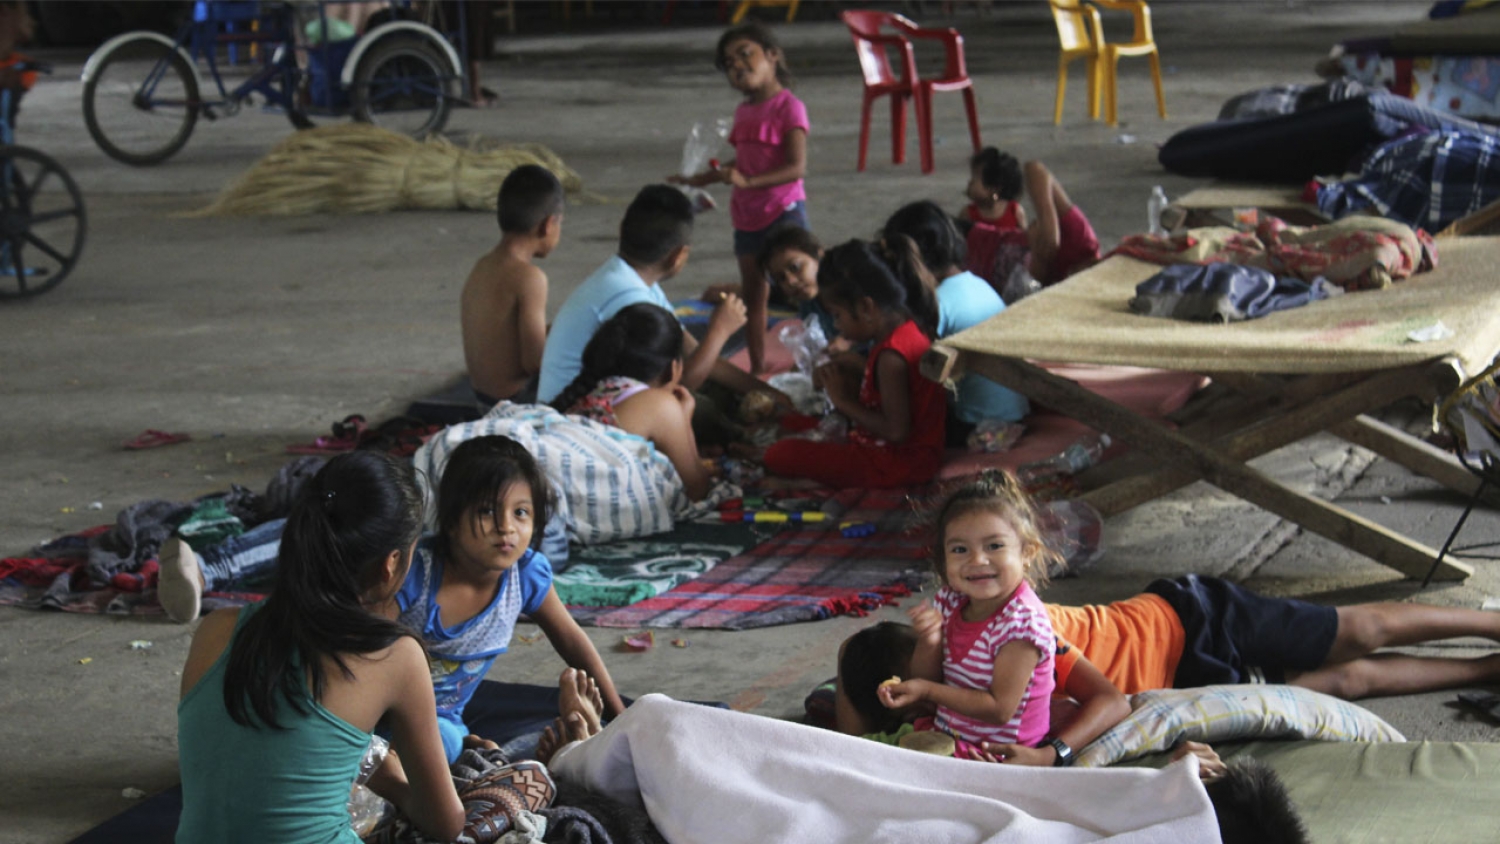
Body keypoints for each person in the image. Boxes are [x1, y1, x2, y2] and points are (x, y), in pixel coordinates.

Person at [162, 436, 627, 764]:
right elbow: (359, 657)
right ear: (449, 517)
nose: (506, 527)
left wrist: (621, 714)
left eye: (521, 513)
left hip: (437, 720)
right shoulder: (410, 573)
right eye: (487, 511)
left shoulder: (526, 577)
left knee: (455, 742)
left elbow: (573, 642)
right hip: (370, 705)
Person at [838, 572, 1500, 755]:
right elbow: (853, 731)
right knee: (1341, 684)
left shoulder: (1014, 637)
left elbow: (1106, 701)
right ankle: (1484, 670)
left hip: (1188, 618)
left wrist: (1057, 755)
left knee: (1358, 631)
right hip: (1188, 686)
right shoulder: (958, 711)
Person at [175, 451, 465, 843]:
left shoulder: (215, 629)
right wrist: (391, 780)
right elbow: (445, 824)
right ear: (391, 563)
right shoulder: (395, 658)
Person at [535, 184, 783, 409]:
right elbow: (680, 383)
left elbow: (695, 354)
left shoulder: (633, 279)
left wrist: (769, 393)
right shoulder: (630, 299)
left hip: (583, 405)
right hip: (573, 417)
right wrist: (719, 331)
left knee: (730, 397)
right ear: (679, 256)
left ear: (623, 230)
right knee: (693, 409)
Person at [876, 473, 1059, 755]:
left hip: (998, 754)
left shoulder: (1022, 625)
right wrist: (929, 640)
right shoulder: (951, 601)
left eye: (994, 546)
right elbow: (927, 676)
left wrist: (926, 691)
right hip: (948, 733)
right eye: (960, 549)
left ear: (1027, 552)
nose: (977, 560)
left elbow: (999, 709)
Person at [672, 22, 809, 377]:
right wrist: (697, 179)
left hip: (783, 212)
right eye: (729, 63)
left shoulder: (788, 107)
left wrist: (748, 181)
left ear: (772, 55)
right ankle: (760, 363)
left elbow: (795, 167)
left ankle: (819, 355)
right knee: (754, 294)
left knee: (804, 286)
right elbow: (742, 163)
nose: (737, 66)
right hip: (747, 217)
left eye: (745, 54)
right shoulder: (745, 112)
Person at [761, 237, 946, 489]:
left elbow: (896, 432)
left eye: (838, 315)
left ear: (866, 307)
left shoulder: (891, 356)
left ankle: (814, 482)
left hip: (901, 464)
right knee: (790, 422)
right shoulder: (906, 329)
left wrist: (843, 402)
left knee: (779, 454)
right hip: (896, 453)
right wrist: (858, 366)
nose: (837, 325)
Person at [882, 201, 1029, 443]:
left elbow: (911, 371)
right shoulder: (977, 283)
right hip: (1016, 414)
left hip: (977, 424)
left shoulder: (938, 302)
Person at [551, 303, 718, 501]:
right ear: (673, 368)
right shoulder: (660, 404)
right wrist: (684, 421)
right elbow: (696, 489)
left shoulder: (591, 392)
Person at [461, 164, 563, 407]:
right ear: (548, 225)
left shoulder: (483, 265)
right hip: (514, 403)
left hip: (482, 397)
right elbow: (534, 363)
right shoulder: (530, 278)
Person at [964, 148, 1101, 290]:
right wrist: (1049, 224)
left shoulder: (1068, 291)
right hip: (976, 241)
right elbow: (1034, 169)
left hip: (983, 282)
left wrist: (1039, 261)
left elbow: (1021, 296)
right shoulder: (1083, 242)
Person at [757, 223, 841, 348]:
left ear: (819, 255)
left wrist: (848, 342)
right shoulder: (808, 306)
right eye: (781, 278)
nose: (791, 281)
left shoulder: (852, 288)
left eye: (795, 267)